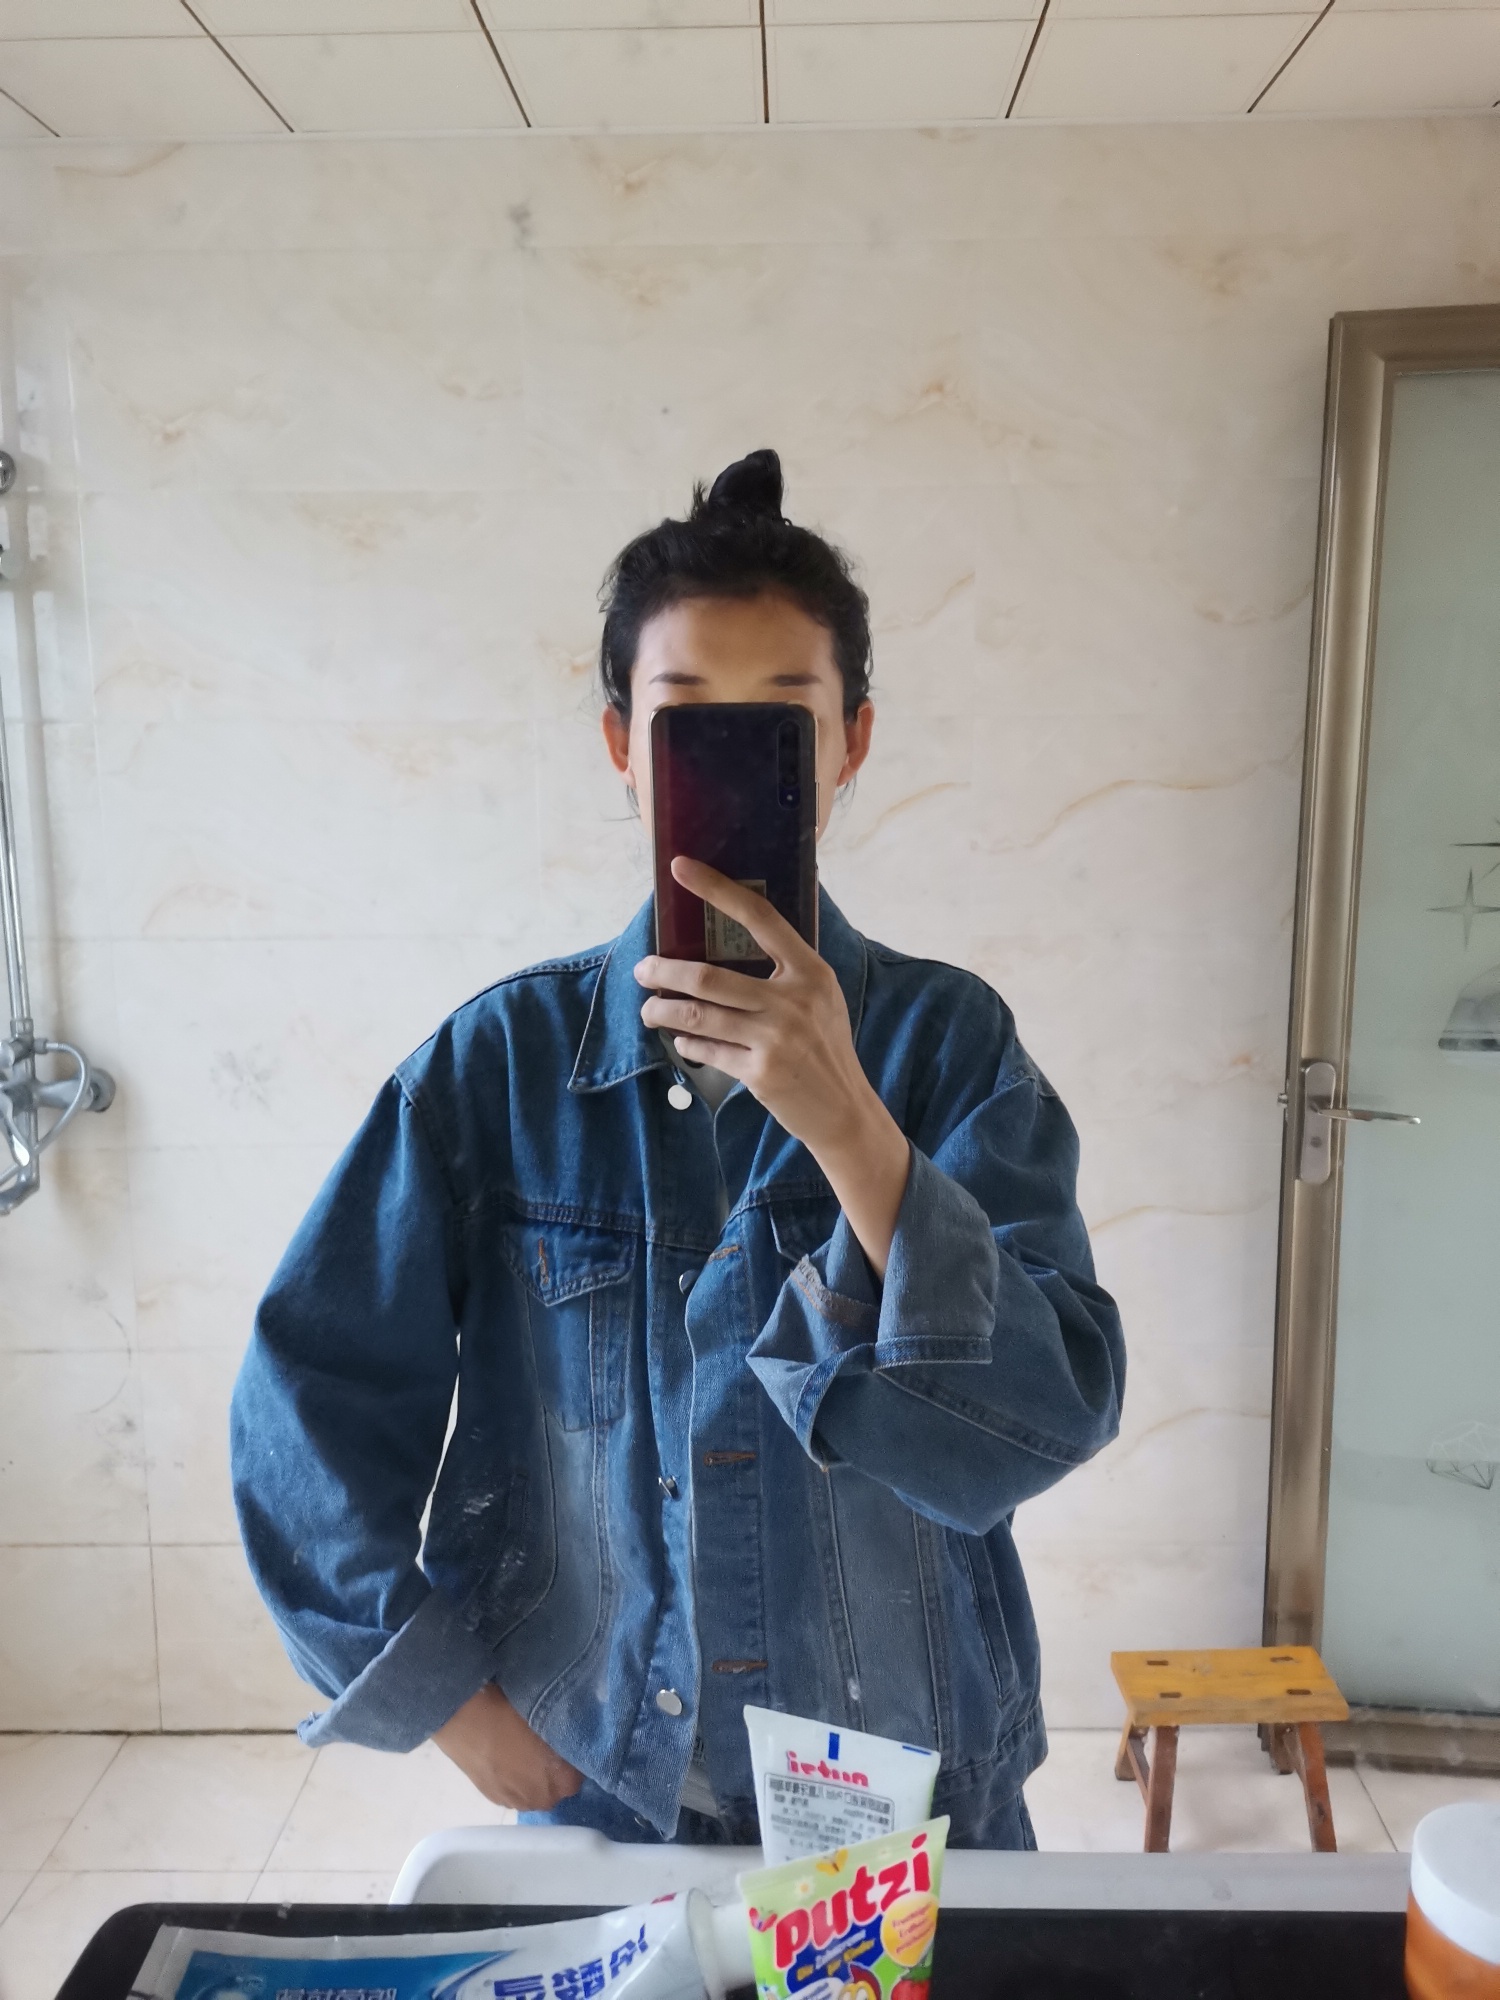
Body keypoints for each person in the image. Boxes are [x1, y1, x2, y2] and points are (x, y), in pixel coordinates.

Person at [230, 449, 1125, 1851]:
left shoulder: (949, 1047)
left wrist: (853, 1127)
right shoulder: (500, 1067)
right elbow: (313, 1394)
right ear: (619, 745)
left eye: (783, 718)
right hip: (603, 1781)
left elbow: (1047, 1415)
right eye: (684, 720)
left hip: (905, 1798)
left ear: (852, 742)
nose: (730, 756)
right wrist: (445, 1702)